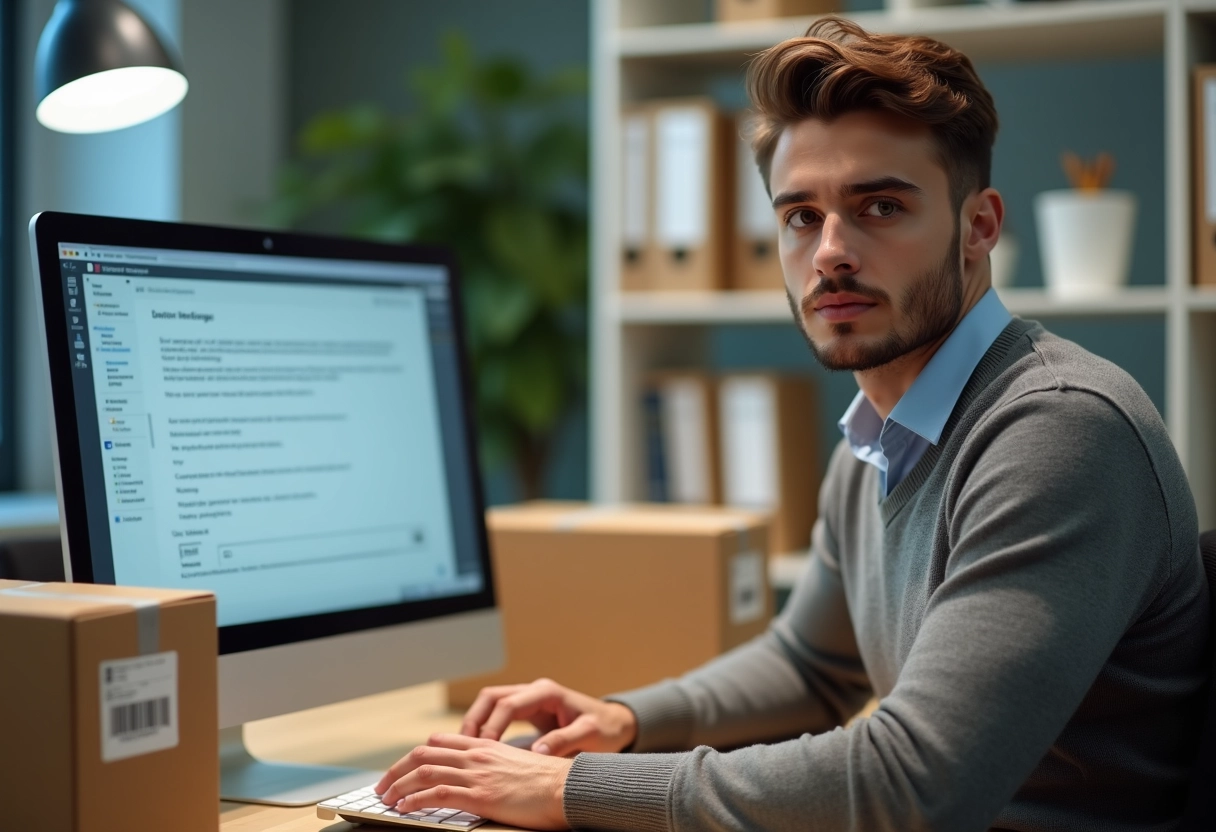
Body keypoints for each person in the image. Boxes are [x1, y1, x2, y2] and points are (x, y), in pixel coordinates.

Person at [374, 17, 1209, 831]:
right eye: (801, 216)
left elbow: (915, 783)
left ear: (978, 227)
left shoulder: (1056, 431)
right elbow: (810, 665)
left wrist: (569, 789)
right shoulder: (880, 433)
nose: (830, 251)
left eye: (879, 207)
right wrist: (622, 720)